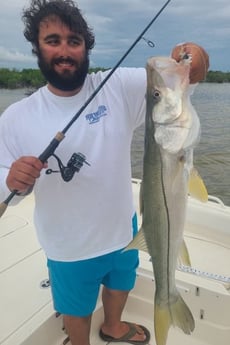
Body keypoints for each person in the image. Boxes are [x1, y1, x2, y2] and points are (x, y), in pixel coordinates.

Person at [0, 1, 209, 344]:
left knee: (120, 285)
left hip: (123, 230)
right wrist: (10, 179)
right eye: (53, 40)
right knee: (77, 310)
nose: (64, 50)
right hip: (68, 246)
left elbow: (186, 78)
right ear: (37, 47)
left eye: (74, 40)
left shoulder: (116, 87)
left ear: (87, 47)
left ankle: (113, 326)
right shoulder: (16, 117)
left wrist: (194, 56)